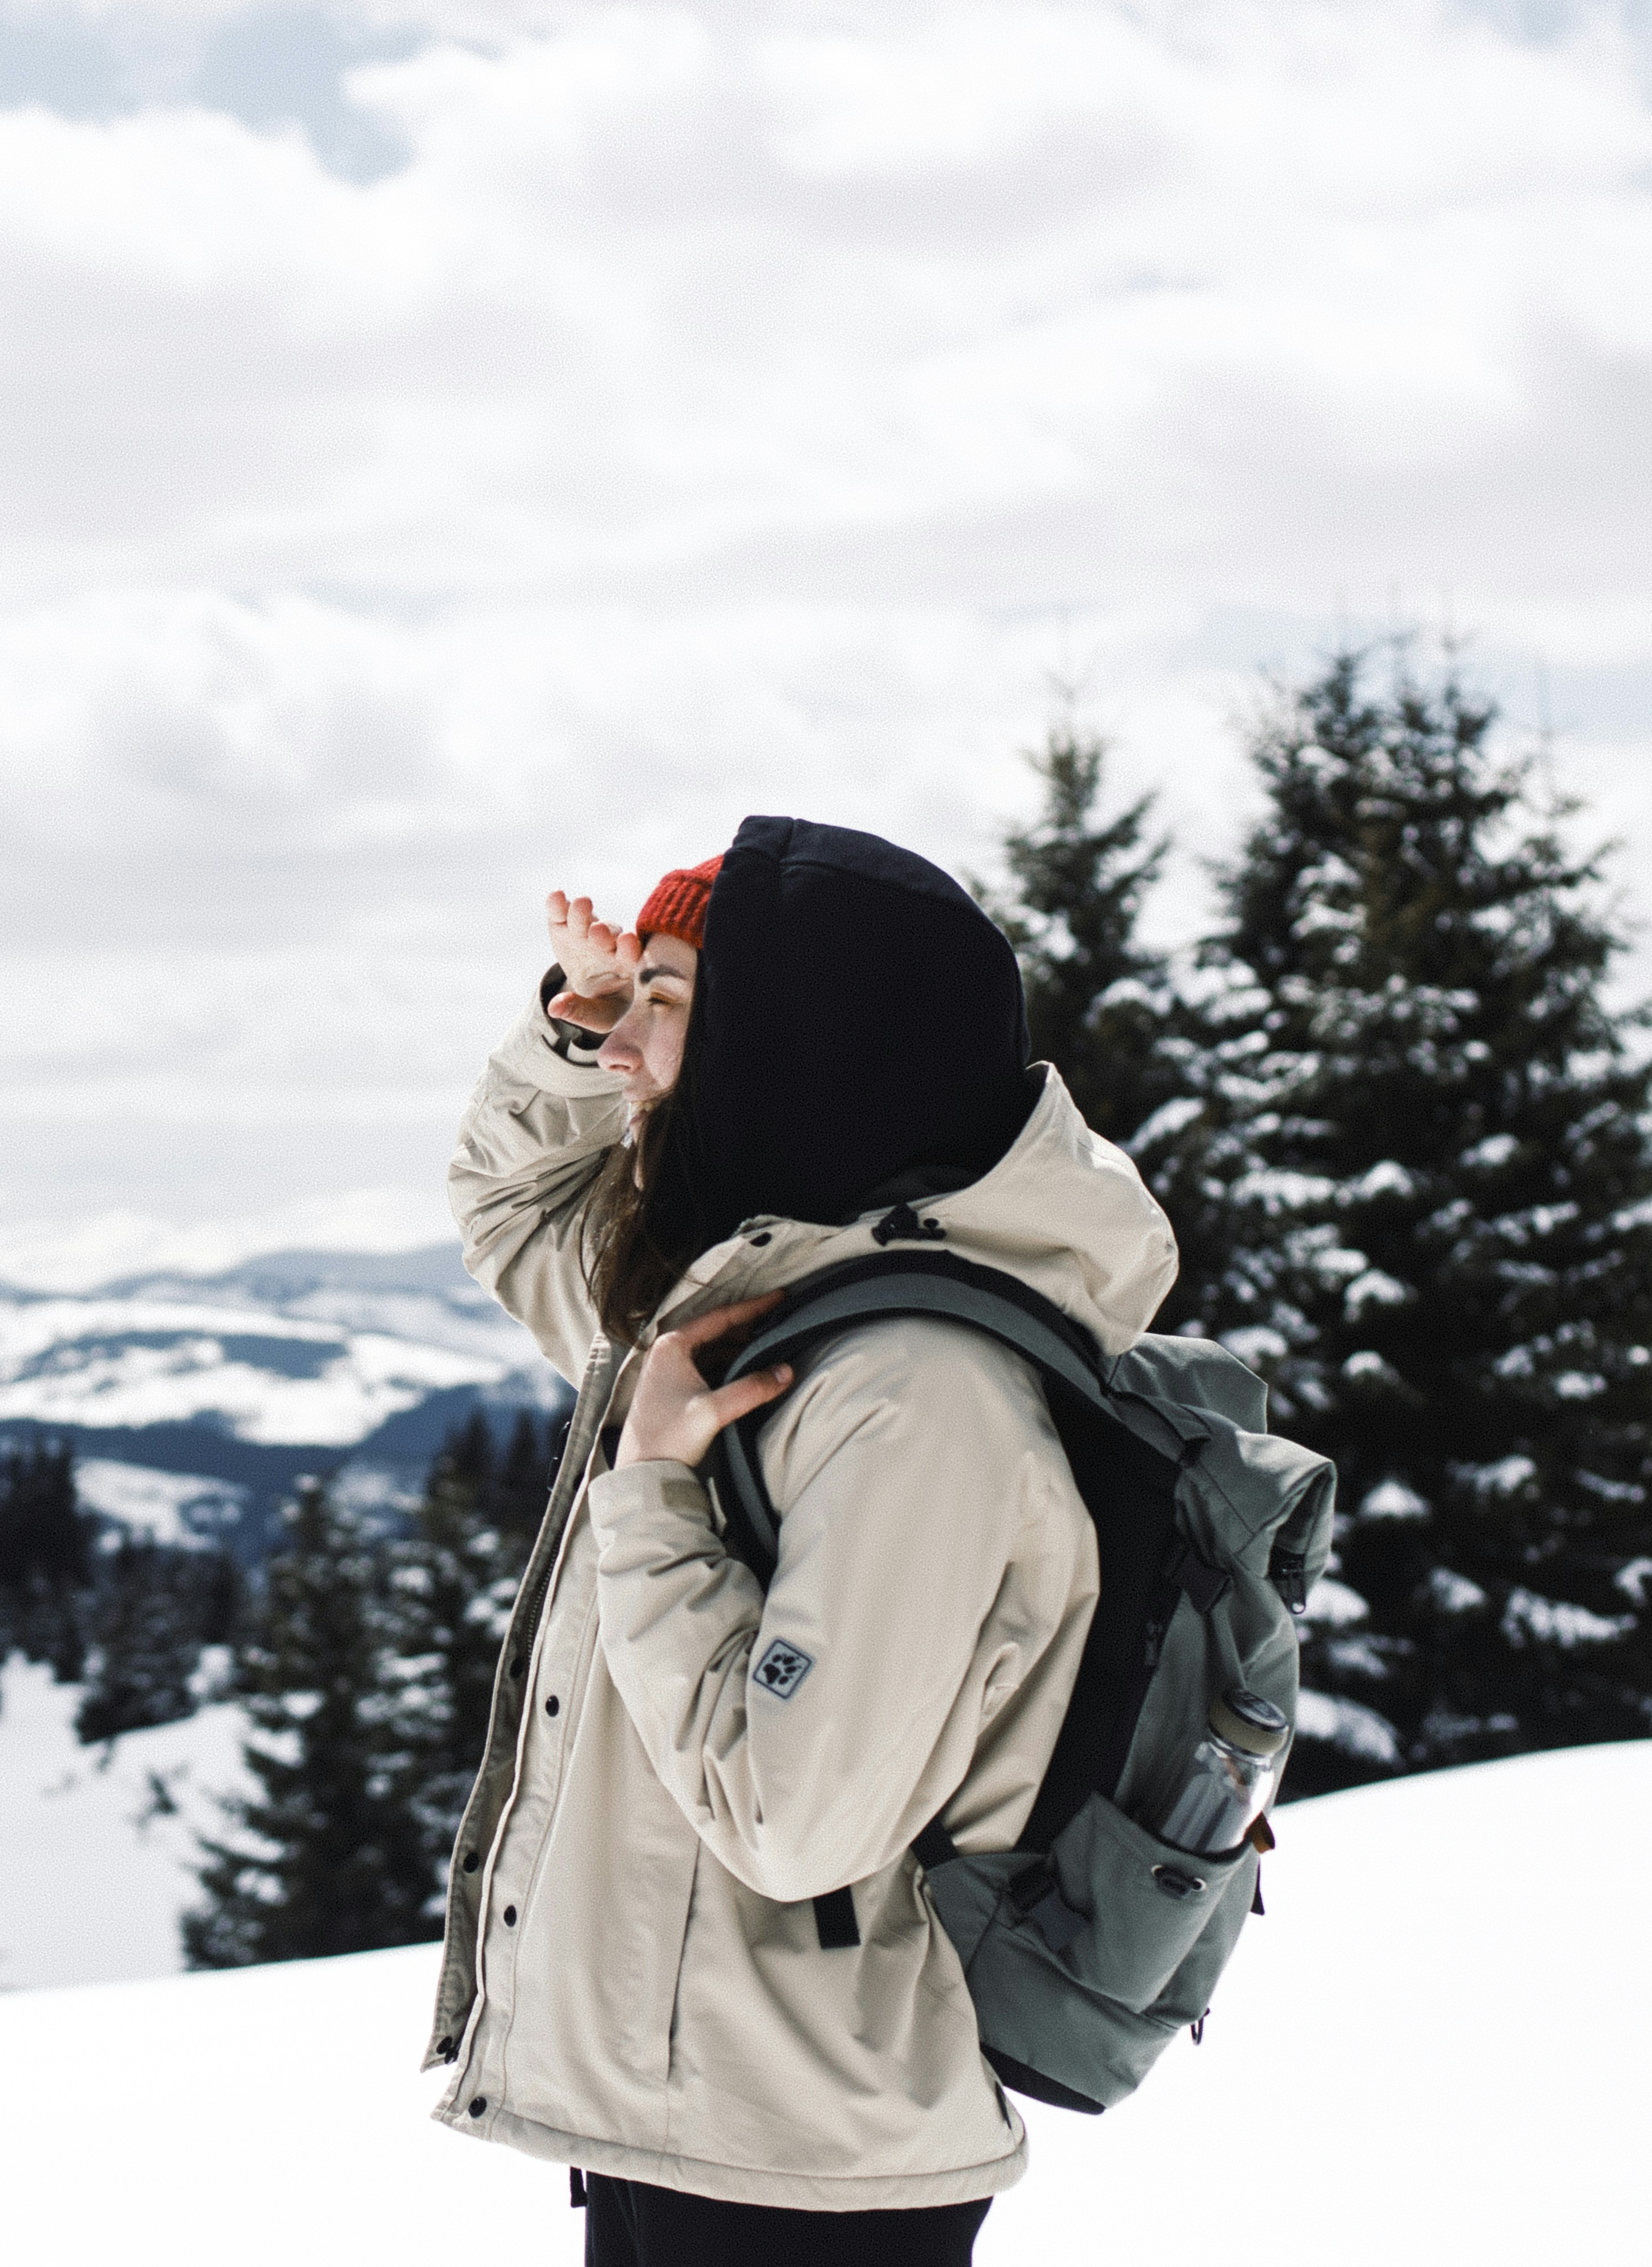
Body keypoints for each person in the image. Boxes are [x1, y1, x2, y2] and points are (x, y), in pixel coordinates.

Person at [424, 815, 1180, 2265]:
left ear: (801, 1048)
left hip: (801, 2170)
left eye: (664, 1004)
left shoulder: (911, 1389)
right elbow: (513, 1216)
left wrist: (648, 1493)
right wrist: (573, 1030)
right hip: (701, 2117)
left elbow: (797, 1816)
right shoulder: (754, 1309)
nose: (623, 1055)